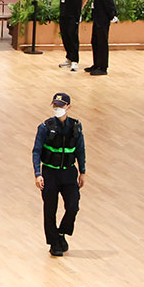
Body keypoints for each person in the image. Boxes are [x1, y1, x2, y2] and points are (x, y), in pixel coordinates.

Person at [32, 93, 86, 257]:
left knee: (73, 206)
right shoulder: (45, 127)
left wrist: (82, 171)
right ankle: (54, 243)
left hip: (69, 172)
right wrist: (38, 173)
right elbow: (36, 151)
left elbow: (80, 150)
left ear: (68, 107)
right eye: (55, 106)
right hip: (50, 173)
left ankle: (62, 232)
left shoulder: (76, 127)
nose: (57, 109)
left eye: (61, 106)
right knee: (50, 209)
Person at [88, 0, 116, 76]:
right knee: (95, 41)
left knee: (102, 42)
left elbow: (109, 4)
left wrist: (112, 16)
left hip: (103, 20)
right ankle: (96, 64)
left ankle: (103, 67)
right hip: (97, 18)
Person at [57, 0, 86, 72]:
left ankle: (75, 61)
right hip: (63, 12)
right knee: (65, 36)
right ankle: (68, 58)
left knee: (73, 36)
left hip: (73, 14)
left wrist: (79, 10)